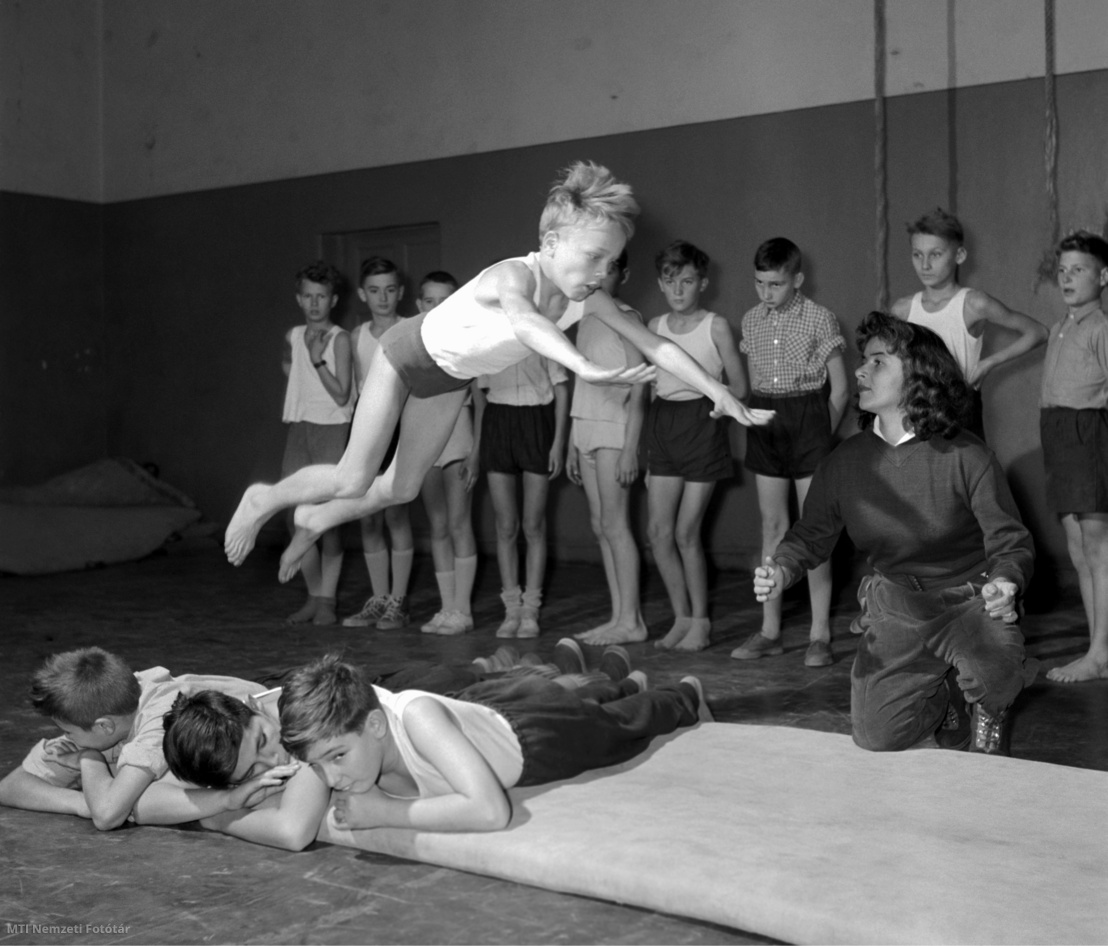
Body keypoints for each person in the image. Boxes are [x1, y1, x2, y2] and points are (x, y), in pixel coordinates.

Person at [223, 162, 774, 581]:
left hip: (449, 381)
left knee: (402, 487)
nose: (603, 273)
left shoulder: (588, 298)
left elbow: (654, 345)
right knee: (354, 475)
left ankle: (316, 521)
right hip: (404, 355)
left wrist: (716, 391)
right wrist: (581, 362)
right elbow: (527, 324)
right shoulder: (515, 276)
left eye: (611, 263)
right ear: (552, 244)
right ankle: (264, 500)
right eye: (594, 259)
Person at [753, 312, 1037, 755]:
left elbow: (1010, 541)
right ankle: (945, 700)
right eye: (862, 362)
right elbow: (811, 534)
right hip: (897, 604)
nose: (860, 371)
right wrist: (782, 567)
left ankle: (984, 705)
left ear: (916, 378)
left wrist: (1006, 582)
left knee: (993, 674)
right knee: (876, 737)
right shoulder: (845, 461)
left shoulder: (967, 455)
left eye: (878, 362)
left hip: (969, 599)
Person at [155, 640, 634, 850]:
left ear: (256, 708)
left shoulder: (305, 726)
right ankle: (579, 676)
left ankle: (603, 680)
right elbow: (144, 799)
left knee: (600, 709)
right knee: (556, 695)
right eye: (254, 769)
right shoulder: (311, 746)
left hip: (480, 713)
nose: (277, 757)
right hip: (465, 712)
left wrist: (216, 814)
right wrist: (221, 799)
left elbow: (293, 830)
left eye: (264, 740)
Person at [276, 651, 712, 835]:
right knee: (583, 698)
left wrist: (386, 812)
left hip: (538, 735)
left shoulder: (417, 719)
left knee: (617, 727)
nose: (331, 777)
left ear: (374, 726)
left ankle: (682, 695)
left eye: (336, 757)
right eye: (319, 766)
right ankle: (617, 682)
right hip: (491, 706)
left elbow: (490, 811)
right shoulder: (352, 735)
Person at [731, 238, 848, 668]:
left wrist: (821, 436)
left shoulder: (819, 318)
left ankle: (819, 633)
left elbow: (839, 389)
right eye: (760, 283)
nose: (766, 292)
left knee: (814, 528)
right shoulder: (750, 320)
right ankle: (771, 629)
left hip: (808, 419)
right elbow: (754, 381)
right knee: (773, 524)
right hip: (767, 419)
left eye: (776, 284)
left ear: (796, 279)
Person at [0, 647, 265, 830]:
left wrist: (89, 759)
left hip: (275, 734)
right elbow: (11, 786)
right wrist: (83, 803)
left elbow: (107, 816)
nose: (68, 739)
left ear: (104, 726)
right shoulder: (106, 712)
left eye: (69, 732)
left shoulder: (162, 717)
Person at [646, 240, 750, 652]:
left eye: (687, 281)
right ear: (660, 283)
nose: (678, 290)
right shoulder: (653, 327)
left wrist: (715, 403)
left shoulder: (716, 325)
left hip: (702, 424)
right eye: (670, 281)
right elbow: (647, 380)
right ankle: (681, 617)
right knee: (658, 532)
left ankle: (702, 622)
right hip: (663, 423)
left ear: (702, 283)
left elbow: (740, 387)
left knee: (687, 531)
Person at [890, 207, 1047, 436]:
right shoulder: (902, 309)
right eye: (917, 254)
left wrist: (988, 363)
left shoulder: (973, 304)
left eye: (935, 254)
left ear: (959, 255)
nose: (925, 265)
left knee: (966, 470)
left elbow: (1038, 332)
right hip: (916, 405)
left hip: (960, 404)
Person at [566, 250, 649, 645]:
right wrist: (570, 441)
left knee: (617, 525)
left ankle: (631, 620)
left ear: (624, 274)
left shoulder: (628, 318)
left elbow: (640, 387)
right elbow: (580, 382)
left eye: (610, 270)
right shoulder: (583, 316)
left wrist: (631, 447)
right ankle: (619, 617)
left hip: (615, 430)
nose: (600, 277)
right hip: (585, 428)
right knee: (601, 526)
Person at [1040, 231, 1108, 683]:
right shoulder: (1062, 327)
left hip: (1089, 436)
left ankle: (1100, 654)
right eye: (1062, 270)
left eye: (1078, 269)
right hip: (1059, 435)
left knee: (1098, 548)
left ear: (1103, 276)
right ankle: (1097, 647)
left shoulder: (1102, 327)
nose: (1067, 278)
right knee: (1078, 550)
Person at [279, 261, 354, 625]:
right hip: (300, 428)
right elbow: (289, 370)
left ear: (333, 299)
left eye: (321, 297)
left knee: (326, 520)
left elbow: (342, 395)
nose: (314, 304)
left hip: (331, 429)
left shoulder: (339, 339)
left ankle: (328, 600)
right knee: (296, 518)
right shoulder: (293, 335)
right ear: (298, 299)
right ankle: (312, 596)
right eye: (307, 296)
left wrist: (315, 360)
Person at [342, 257, 414, 631]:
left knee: (396, 514)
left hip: (401, 428)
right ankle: (378, 598)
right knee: (368, 518)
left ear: (400, 292)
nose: (383, 297)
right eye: (374, 290)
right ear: (362, 294)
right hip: (368, 431)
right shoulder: (356, 337)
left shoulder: (411, 329)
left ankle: (398, 602)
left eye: (389, 289)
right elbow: (357, 391)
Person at [480, 346, 569, 639]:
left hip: (536, 421)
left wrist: (558, 443)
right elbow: (480, 392)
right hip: (498, 421)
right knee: (505, 525)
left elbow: (561, 388)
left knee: (533, 524)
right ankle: (511, 608)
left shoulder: (542, 329)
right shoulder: (486, 335)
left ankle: (531, 608)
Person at [414, 271, 484, 636]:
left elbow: (483, 403)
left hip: (459, 442)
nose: (437, 308)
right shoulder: (413, 349)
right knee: (438, 526)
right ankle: (446, 607)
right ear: (419, 305)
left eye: (445, 301)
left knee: (459, 524)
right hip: (426, 447)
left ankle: (464, 610)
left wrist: (476, 452)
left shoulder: (468, 347)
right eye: (430, 301)